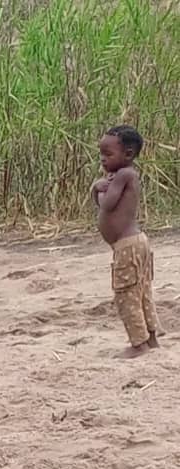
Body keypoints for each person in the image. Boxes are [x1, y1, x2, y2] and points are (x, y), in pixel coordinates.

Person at [91, 125, 161, 358]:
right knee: (141, 292)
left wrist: (96, 189)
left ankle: (138, 344)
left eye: (108, 154)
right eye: (101, 153)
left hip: (128, 247)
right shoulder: (123, 175)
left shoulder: (123, 175)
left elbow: (107, 204)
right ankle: (150, 339)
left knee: (127, 296)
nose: (102, 158)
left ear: (128, 154)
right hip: (136, 244)